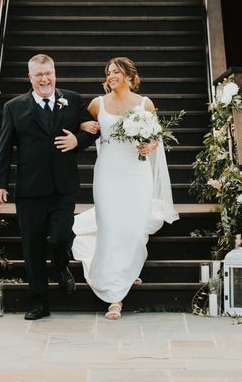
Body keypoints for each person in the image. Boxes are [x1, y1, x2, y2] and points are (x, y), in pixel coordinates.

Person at [0, 54, 96, 320]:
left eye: (48, 73)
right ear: (30, 77)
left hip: (64, 186)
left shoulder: (72, 99)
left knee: (61, 237)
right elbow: (4, 148)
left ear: (54, 73)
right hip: (30, 189)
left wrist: (79, 141)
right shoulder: (15, 107)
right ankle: (39, 303)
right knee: (32, 247)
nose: (44, 79)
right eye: (38, 75)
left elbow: (94, 128)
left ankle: (61, 267)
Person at [73, 57, 178, 319]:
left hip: (136, 172)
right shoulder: (98, 104)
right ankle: (114, 296)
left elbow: (156, 139)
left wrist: (150, 146)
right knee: (108, 225)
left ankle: (126, 273)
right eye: (108, 72)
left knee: (132, 227)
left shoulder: (145, 104)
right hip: (108, 172)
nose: (111, 75)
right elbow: (81, 125)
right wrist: (82, 125)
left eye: (116, 72)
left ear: (130, 76)